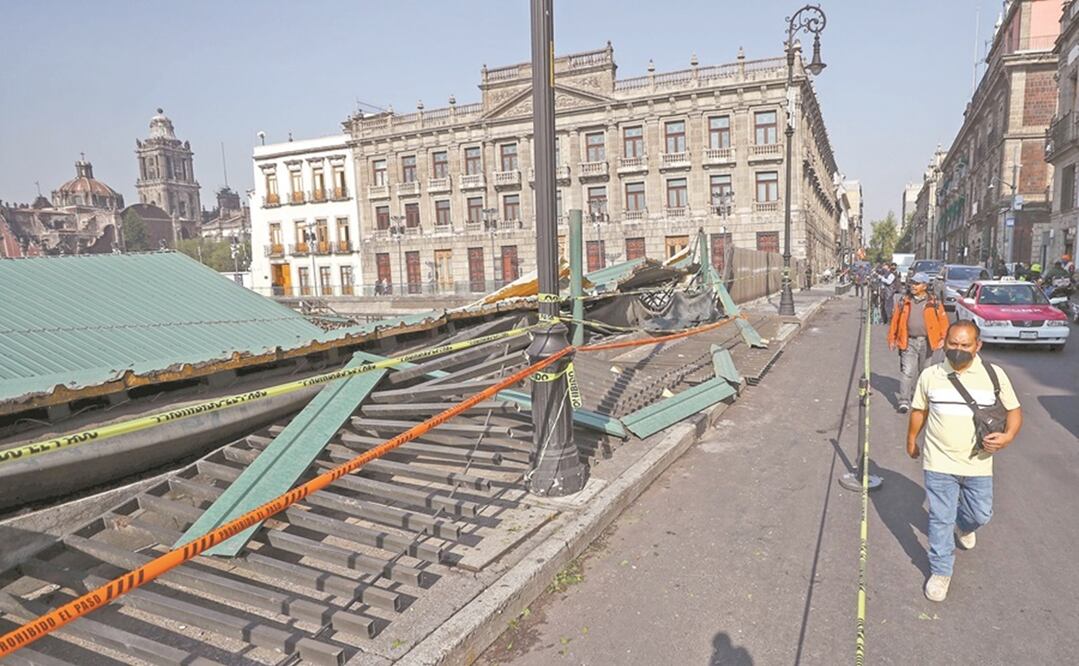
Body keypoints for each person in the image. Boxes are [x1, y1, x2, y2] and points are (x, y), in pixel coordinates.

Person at [906, 320, 1022, 602]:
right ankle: (941, 571)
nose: (958, 350)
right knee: (940, 519)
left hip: (978, 462)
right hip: (939, 461)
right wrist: (911, 440)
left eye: (965, 345)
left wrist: (1008, 437)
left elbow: (1014, 411)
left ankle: (965, 525)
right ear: (944, 343)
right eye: (953, 344)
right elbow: (919, 410)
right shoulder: (931, 374)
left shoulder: (994, 375)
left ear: (977, 346)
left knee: (981, 514)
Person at [888, 272, 947, 413]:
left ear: (925, 286)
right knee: (907, 371)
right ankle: (904, 401)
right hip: (908, 341)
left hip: (927, 343)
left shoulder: (934, 302)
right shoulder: (904, 301)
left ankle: (921, 399)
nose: (913, 286)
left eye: (917, 283)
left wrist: (943, 339)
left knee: (925, 372)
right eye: (912, 283)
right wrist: (892, 338)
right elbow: (895, 321)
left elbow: (943, 322)